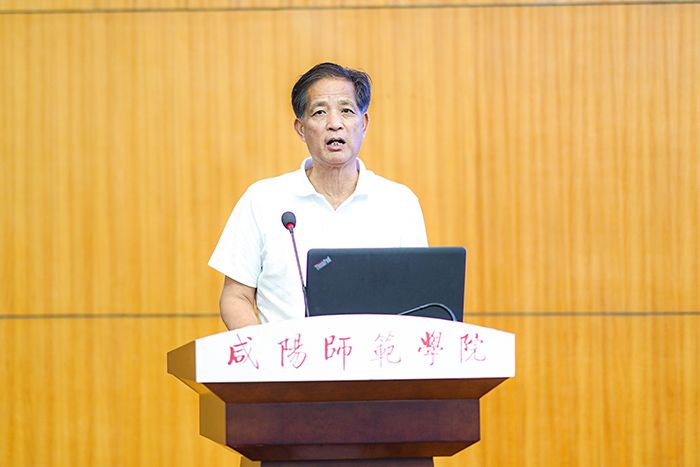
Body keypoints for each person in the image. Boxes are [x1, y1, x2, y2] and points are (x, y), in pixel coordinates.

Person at [209, 63, 428, 330]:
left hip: (376, 354)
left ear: (363, 123)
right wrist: (262, 352)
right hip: (289, 356)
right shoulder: (262, 200)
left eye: (347, 111)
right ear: (301, 128)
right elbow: (236, 297)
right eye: (320, 112)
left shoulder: (399, 203)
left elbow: (419, 300)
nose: (334, 124)